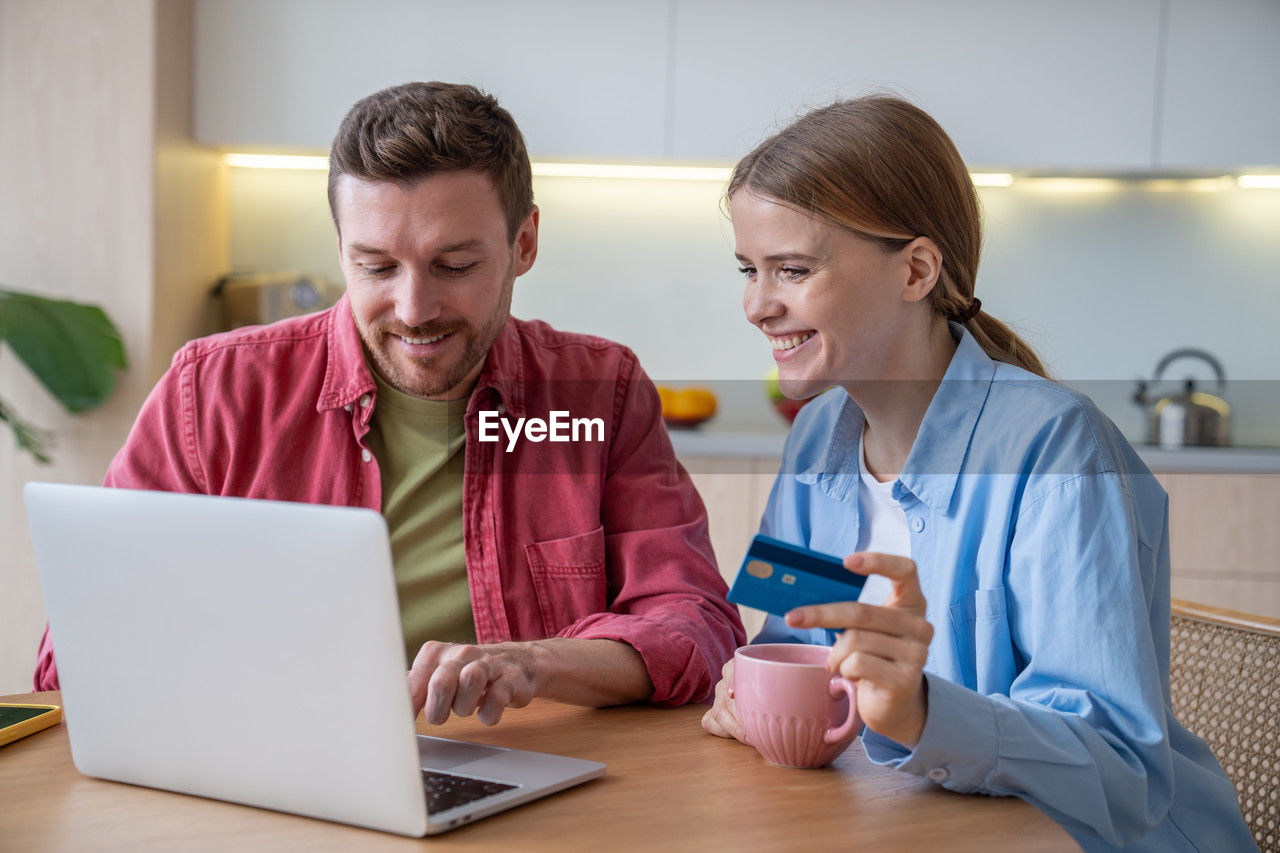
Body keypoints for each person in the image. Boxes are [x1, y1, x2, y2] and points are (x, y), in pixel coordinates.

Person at [35, 81, 745, 726]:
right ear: (342, 249)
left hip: (530, 773)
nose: (414, 309)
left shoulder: (599, 393)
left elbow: (695, 624)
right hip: (273, 767)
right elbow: (79, 646)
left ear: (523, 242)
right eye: (376, 267)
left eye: (454, 265)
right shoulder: (213, 391)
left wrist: (534, 662)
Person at [700, 96, 1254, 851]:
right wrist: (746, 693)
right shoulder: (815, 442)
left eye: (791, 269)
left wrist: (923, 713)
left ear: (917, 270)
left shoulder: (1060, 454)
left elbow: (1124, 772)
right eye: (749, 270)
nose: (757, 305)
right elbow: (784, 646)